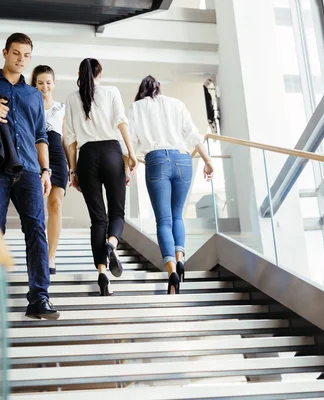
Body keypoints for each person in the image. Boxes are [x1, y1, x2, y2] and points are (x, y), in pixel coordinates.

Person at [0, 33, 59, 319]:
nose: (21, 59)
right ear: (5, 52)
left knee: (36, 231)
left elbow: (41, 135)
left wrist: (45, 170)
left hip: (29, 169)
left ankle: (39, 298)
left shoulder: (33, 94)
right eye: (16, 53)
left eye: (27, 55)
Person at [127, 75, 213, 295]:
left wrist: (131, 160)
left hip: (156, 160)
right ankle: (181, 258)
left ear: (141, 90)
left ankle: (171, 271)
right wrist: (207, 161)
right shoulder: (176, 104)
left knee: (163, 221)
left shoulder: (136, 108)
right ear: (159, 88)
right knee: (177, 217)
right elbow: (193, 135)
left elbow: (129, 140)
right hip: (184, 159)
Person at [65, 58, 138, 296]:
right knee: (117, 212)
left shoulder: (71, 98)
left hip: (86, 156)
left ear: (79, 73)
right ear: (100, 73)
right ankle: (112, 244)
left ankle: (102, 274)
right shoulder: (111, 92)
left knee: (98, 219)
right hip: (111, 153)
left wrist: (73, 170)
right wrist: (131, 154)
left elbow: (70, 138)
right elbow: (121, 122)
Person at [31, 65, 68, 275]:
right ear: (34, 84)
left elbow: (67, 139)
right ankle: (39, 251)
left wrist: (72, 168)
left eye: (48, 82)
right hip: (35, 157)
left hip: (57, 156)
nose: (44, 86)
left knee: (55, 203)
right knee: (37, 207)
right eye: (40, 82)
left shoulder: (62, 108)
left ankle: (51, 256)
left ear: (54, 83)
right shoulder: (30, 106)